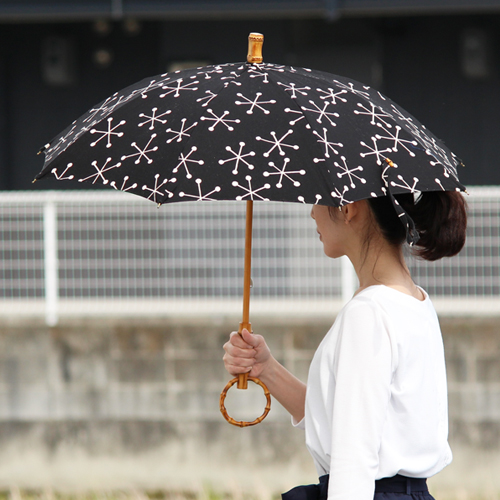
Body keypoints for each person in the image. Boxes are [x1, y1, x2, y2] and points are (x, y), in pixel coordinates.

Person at [223, 191, 467, 500]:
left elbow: (355, 457)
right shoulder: (413, 301)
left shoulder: (369, 312)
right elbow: (345, 420)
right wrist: (266, 369)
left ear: (349, 208)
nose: (312, 212)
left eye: (318, 199)